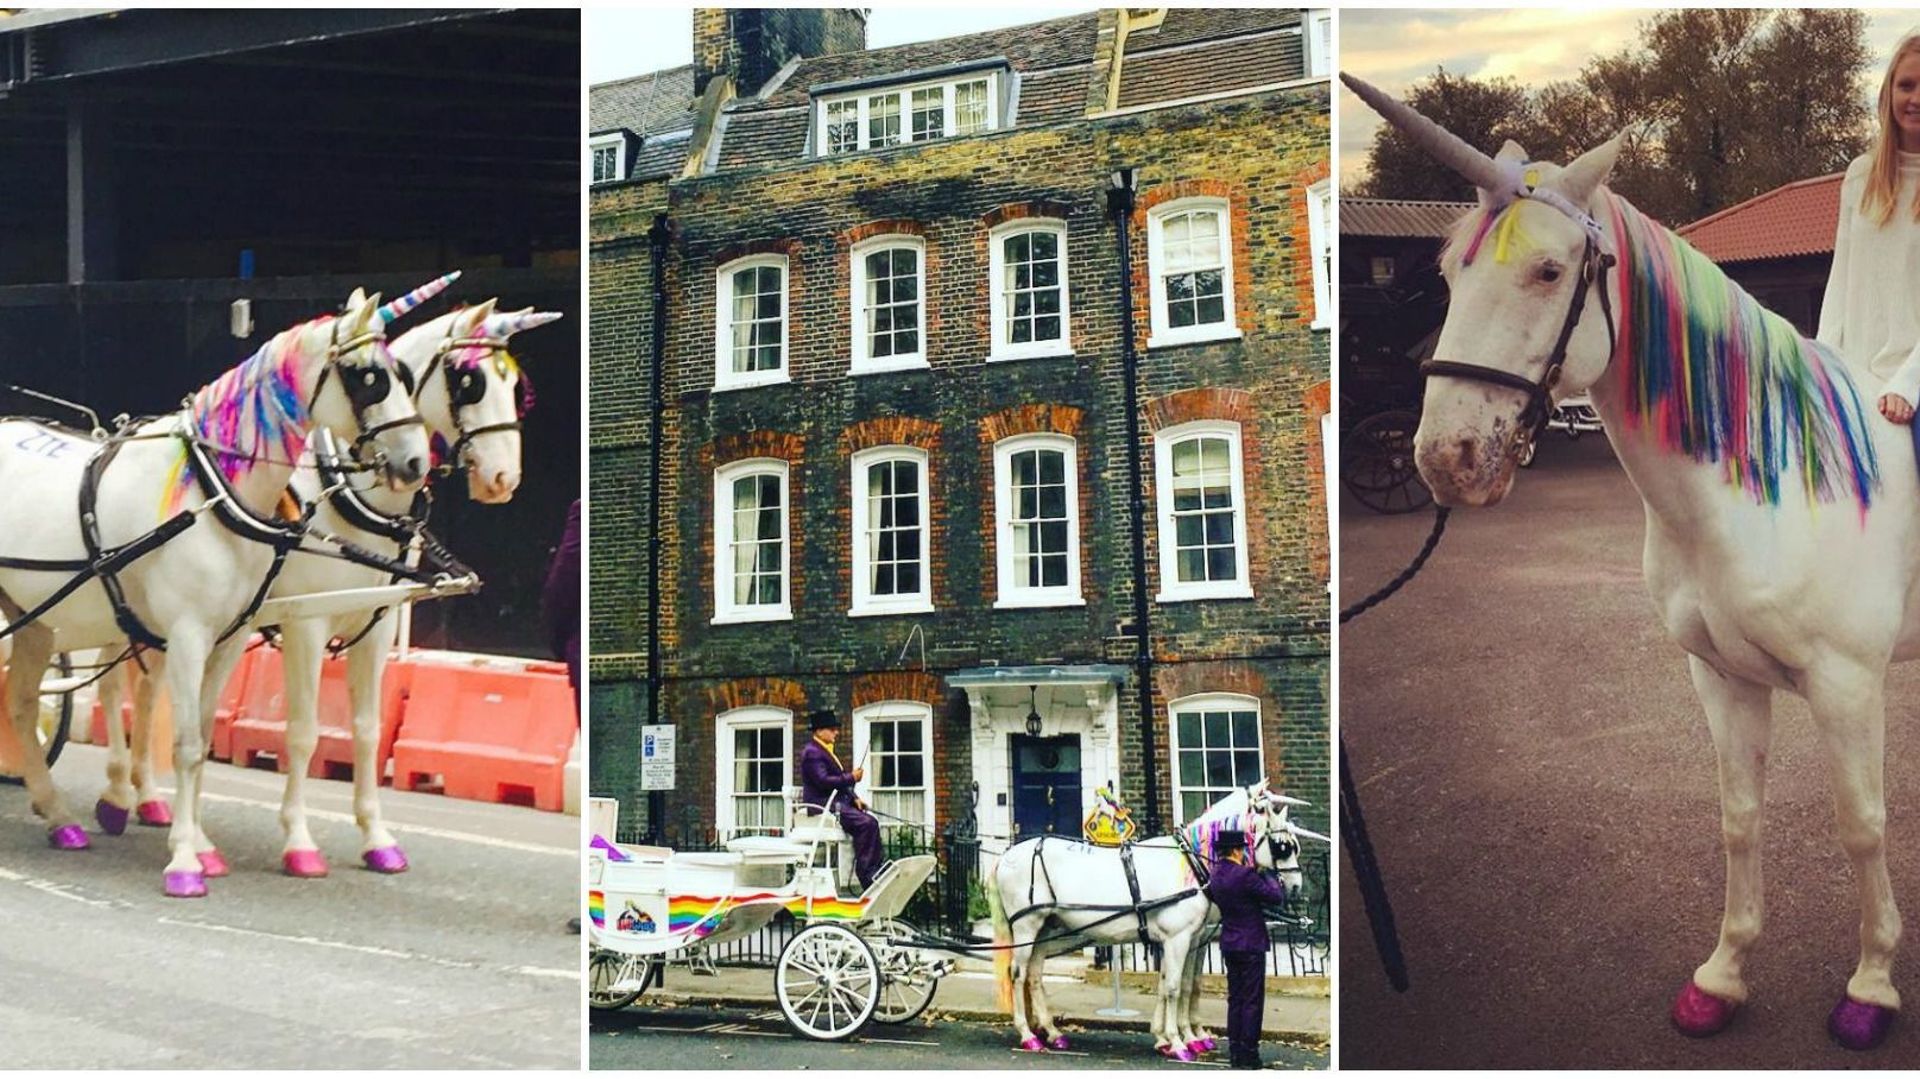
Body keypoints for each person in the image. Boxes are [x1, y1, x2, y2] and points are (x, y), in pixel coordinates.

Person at [1820, 34, 1920, 424]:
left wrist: (1907, 385)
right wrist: (1821, 366)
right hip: (1855, 376)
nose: (1915, 98)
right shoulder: (1860, 176)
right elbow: (1841, 280)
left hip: (1911, 385)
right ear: (1888, 91)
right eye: (1906, 85)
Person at [1207, 828, 1287, 1070]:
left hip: (1230, 942)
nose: (1244, 853)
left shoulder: (1216, 875)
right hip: (1251, 944)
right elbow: (1275, 897)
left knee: (1235, 1000)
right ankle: (1249, 1054)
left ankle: (1234, 1052)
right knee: (1252, 1000)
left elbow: (1212, 894)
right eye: (1242, 849)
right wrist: (1267, 874)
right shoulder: (1246, 875)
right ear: (1235, 850)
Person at [797, 709, 884, 891]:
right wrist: (852, 777)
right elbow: (823, 782)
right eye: (832, 729)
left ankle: (875, 869)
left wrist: (855, 799)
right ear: (819, 731)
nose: (836, 732)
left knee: (871, 822)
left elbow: (838, 781)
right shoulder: (812, 752)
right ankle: (867, 875)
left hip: (835, 804)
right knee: (866, 824)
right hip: (822, 805)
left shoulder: (824, 750)